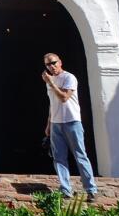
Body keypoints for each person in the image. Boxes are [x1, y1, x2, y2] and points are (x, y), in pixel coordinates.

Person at [42, 52, 98, 200]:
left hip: (72, 121)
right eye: (48, 64)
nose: (52, 66)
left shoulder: (69, 77)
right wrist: (48, 124)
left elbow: (64, 98)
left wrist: (51, 83)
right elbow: (52, 103)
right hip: (56, 123)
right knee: (59, 157)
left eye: (54, 62)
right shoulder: (51, 80)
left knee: (80, 155)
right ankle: (65, 189)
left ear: (60, 62)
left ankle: (91, 189)